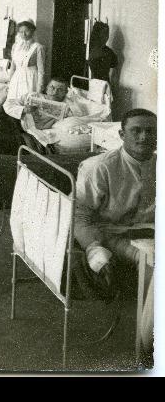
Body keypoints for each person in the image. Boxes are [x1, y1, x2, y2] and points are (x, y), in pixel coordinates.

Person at [74, 108, 156, 356]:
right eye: (136, 131)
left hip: (152, 232)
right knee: (154, 262)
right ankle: (148, 346)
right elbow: (80, 216)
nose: (144, 137)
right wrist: (94, 250)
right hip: (114, 234)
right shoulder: (100, 168)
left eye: (150, 131)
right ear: (122, 134)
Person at [2, 20, 45, 119]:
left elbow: (41, 71)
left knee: (28, 105)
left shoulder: (38, 47)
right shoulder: (16, 46)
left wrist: (39, 90)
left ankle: (26, 125)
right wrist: (9, 82)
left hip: (31, 78)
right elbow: (13, 66)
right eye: (21, 32)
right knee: (13, 103)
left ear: (32, 31)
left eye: (26, 31)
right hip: (17, 77)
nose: (24, 34)